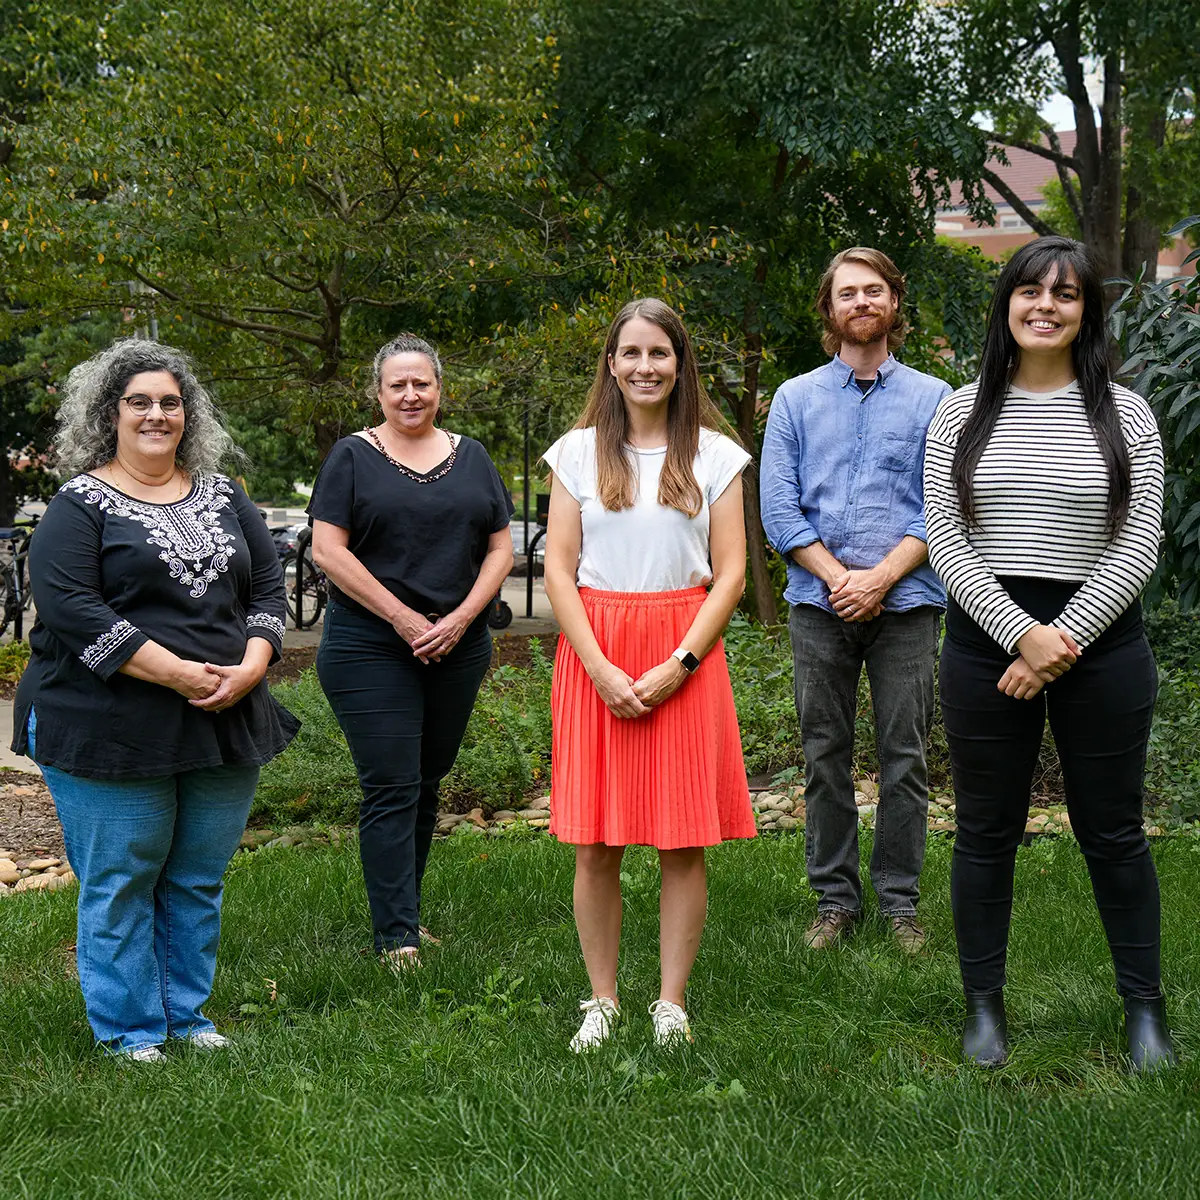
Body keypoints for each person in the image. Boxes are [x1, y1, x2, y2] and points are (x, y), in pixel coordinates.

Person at [12, 338, 298, 1062]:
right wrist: (175, 672)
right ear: (109, 414)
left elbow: (268, 590)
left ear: (188, 413)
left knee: (197, 876)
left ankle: (187, 1018)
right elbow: (73, 607)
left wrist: (253, 666)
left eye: (170, 402)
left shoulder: (225, 495)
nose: (156, 414)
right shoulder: (80, 505)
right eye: (138, 401)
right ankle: (129, 1030)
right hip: (106, 721)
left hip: (225, 711)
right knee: (123, 876)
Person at [924, 236, 1172, 1071]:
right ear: (1006, 305)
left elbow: (1141, 541)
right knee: (985, 831)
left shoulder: (1126, 412)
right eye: (1030, 291)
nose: (1046, 306)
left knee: (1114, 833)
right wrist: (1017, 633)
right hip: (986, 643)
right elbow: (947, 538)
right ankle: (984, 1009)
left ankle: (1145, 1011)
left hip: (1101, 647)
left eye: (1065, 295)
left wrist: (1058, 642)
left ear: (1084, 313)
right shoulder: (962, 411)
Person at [542, 298, 755, 1052]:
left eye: (658, 353)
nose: (644, 367)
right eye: (630, 353)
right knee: (595, 842)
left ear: (680, 362)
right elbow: (559, 572)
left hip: (684, 649)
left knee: (680, 840)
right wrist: (598, 667)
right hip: (595, 649)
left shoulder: (716, 456)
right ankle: (601, 999)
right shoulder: (574, 453)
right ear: (610, 363)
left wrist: (679, 664)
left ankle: (671, 1002)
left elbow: (729, 576)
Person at [760, 247, 950, 954]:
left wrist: (880, 580)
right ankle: (835, 902)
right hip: (818, 604)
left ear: (894, 303)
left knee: (906, 754)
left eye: (874, 290)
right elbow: (779, 510)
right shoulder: (794, 399)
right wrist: (842, 579)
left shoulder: (936, 398)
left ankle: (901, 903)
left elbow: (942, 507)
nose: (862, 302)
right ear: (829, 309)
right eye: (847, 293)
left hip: (907, 606)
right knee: (824, 754)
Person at [309, 334, 514, 970]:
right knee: (392, 783)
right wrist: (402, 619)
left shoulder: (474, 457)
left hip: (458, 645)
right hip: (371, 645)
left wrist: (459, 619)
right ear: (378, 392)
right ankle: (394, 937)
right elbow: (328, 550)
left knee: (425, 781)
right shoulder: (351, 457)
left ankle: (407, 915)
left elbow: (501, 547)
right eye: (397, 384)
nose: (410, 394)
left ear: (439, 390)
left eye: (421, 383)